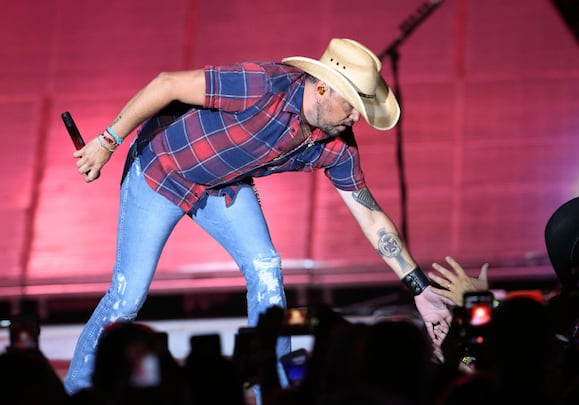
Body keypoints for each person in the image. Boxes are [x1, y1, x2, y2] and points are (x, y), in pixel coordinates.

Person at [63, 37, 451, 396]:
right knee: (127, 297)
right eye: (352, 105)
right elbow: (167, 84)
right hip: (159, 171)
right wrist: (108, 141)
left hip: (221, 188)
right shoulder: (262, 84)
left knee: (266, 266)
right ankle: (76, 394)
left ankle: (275, 391)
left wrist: (421, 290)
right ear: (322, 88)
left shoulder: (337, 148)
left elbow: (372, 218)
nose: (355, 119)